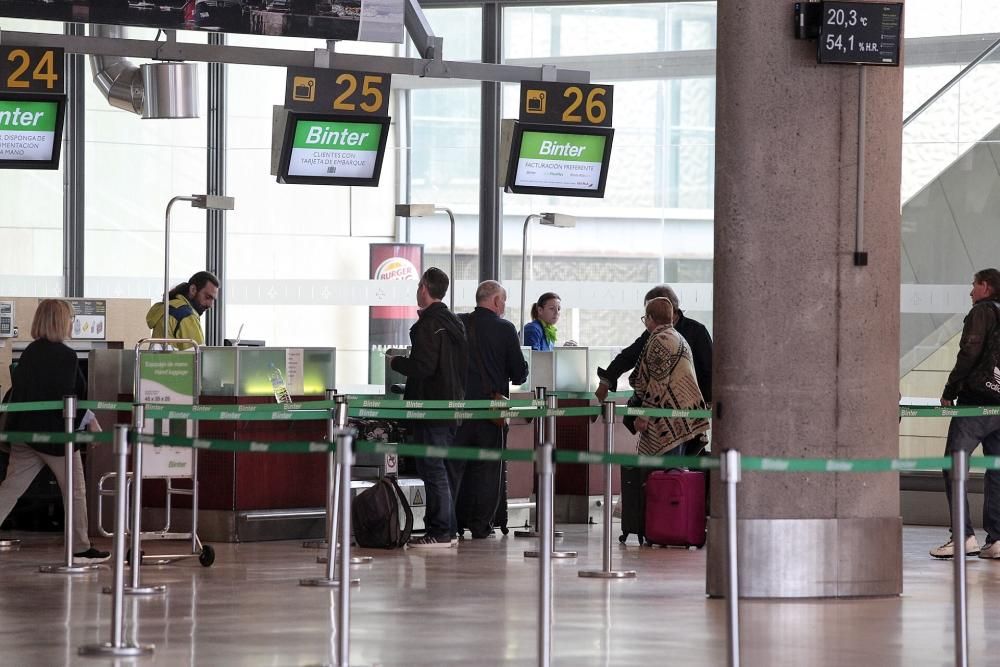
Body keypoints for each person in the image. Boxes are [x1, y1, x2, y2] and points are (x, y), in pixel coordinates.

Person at [0, 300, 109, 564]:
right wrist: (89, 421)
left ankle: (81, 547)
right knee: (75, 491)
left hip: (25, 434)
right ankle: (80, 548)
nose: (73, 323)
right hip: (57, 438)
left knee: (11, 488)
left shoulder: (29, 353)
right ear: (60, 322)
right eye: (70, 318)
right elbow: (72, 398)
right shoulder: (66, 356)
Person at [388, 268, 468, 549]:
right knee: (440, 467)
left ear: (424, 288)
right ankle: (449, 529)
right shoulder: (455, 322)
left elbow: (423, 366)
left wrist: (396, 362)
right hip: (451, 406)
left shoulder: (429, 325)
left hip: (430, 407)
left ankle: (440, 531)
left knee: (432, 468)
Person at [449, 281, 529, 539]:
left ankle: (454, 523)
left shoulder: (459, 323)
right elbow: (519, 373)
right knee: (488, 469)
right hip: (490, 411)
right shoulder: (505, 329)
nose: (504, 306)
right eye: (503, 301)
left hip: (458, 409)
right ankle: (481, 526)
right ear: (496, 301)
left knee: (455, 468)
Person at [930, 268, 1000, 559]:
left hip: (976, 401)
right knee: (997, 470)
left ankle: (963, 537)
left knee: (954, 465)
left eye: (973, 285)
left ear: (985, 286)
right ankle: (996, 540)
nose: (971, 292)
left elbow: (969, 352)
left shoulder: (982, 312)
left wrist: (950, 390)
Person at [596, 285, 713, 405]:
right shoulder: (653, 332)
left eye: (651, 313)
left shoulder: (696, 331)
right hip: (664, 403)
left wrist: (708, 401)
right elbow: (629, 356)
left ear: (668, 309)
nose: (647, 319)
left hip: (687, 403)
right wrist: (606, 380)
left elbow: (709, 369)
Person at [629, 296, 710, 458]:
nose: (645, 322)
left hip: (670, 424)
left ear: (650, 318)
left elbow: (658, 382)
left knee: (666, 474)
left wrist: (644, 415)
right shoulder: (676, 336)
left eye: (645, 318)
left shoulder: (661, 341)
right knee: (675, 474)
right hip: (683, 418)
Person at [144, 270, 220, 349]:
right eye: (207, 297)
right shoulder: (185, 315)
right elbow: (199, 356)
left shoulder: (167, 309)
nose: (210, 305)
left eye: (213, 300)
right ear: (193, 290)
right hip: (176, 361)